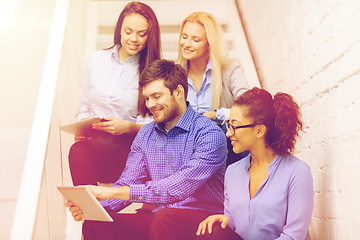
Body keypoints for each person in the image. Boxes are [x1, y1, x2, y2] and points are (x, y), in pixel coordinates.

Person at [65, 59, 228, 240]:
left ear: (179, 92)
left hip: (202, 221)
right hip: (160, 219)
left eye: (156, 96)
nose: (150, 104)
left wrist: (111, 192)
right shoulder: (146, 135)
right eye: (147, 98)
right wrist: (93, 208)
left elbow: (177, 188)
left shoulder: (209, 133)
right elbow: (128, 181)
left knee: (164, 217)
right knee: (96, 223)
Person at [196, 87, 314, 240]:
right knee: (210, 232)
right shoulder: (232, 172)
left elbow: (293, 236)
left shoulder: (297, 172)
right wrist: (226, 222)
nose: (228, 133)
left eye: (234, 126)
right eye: (228, 124)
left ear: (259, 130)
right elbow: (238, 226)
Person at [68, 1, 161, 186]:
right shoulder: (97, 60)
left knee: (106, 142)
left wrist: (127, 127)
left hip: (132, 147)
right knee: (77, 150)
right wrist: (81, 129)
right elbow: (84, 107)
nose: (133, 39)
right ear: (119, 29)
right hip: (97, 145)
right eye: (128, 31)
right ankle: (91, 211)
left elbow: (158, 124)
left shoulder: (154, 71)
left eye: (141, 34)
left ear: (150, 36)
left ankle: (97, 207)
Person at [177, 12, 250, 165]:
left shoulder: (230, 69)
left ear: (209, 43)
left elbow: (249, 109)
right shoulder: (174, 74)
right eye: (184, 37)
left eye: (195, 39)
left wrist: (215, 115)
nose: (187, 44)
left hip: (223, 145)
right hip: (186, 147)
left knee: (234, 134)